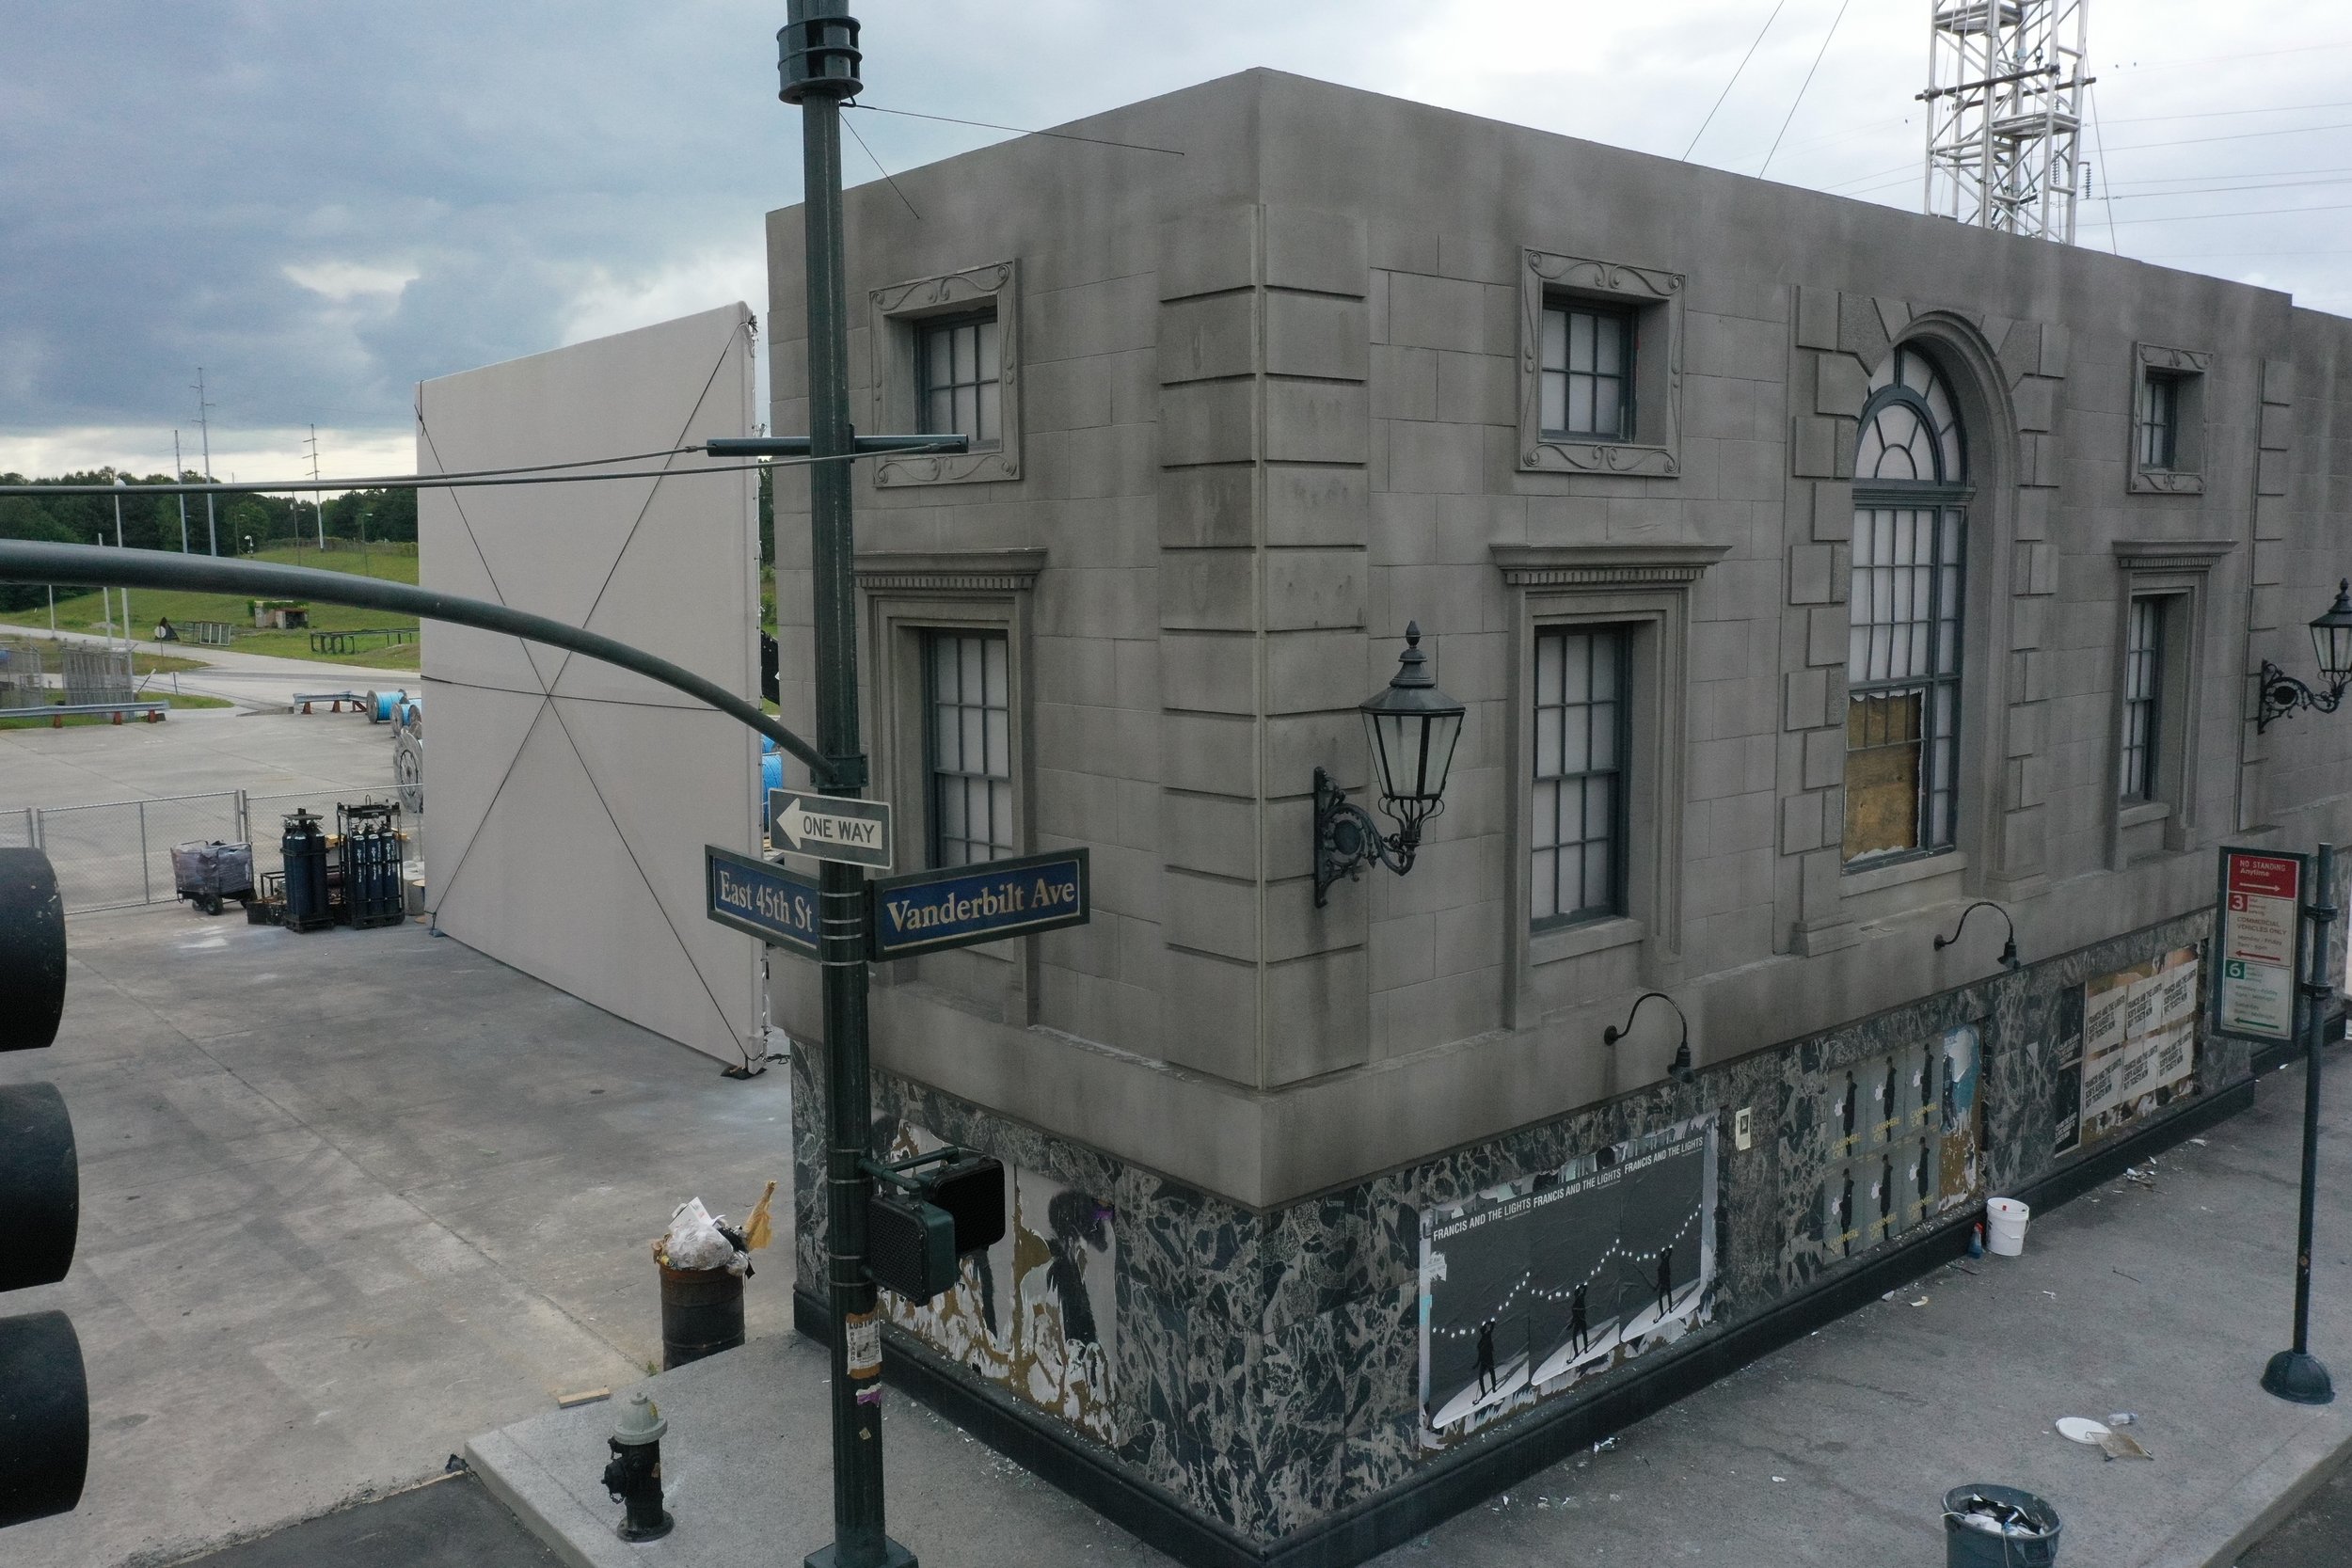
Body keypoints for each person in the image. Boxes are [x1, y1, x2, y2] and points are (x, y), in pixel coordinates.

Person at [1474, 1318, 1498, 1396]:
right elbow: (1480, 1354)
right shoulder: (1482, 1340)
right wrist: (1477, 1364)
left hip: (1487, 1360)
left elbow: (1492, 1326)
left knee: (1489, 1374)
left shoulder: (1486, 1336)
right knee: (1488, 1374)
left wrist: (1489, 1323)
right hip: (1486, 1360)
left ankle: (1490, 1390)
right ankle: (1485, 1392)